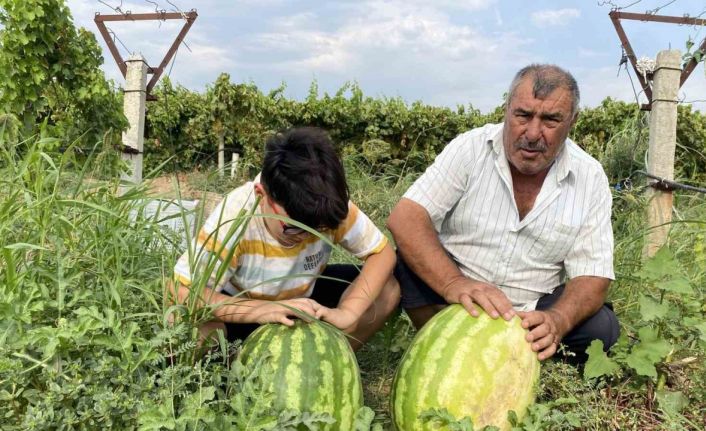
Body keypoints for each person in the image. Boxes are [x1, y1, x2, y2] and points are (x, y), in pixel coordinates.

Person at [387, 64, 619, 363]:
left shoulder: (590, 176)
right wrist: (454, 284)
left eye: (551, 120)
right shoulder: (470, 148)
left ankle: (515, 347)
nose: (533, 133)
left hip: (530, 313)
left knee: (602, 328)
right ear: (506, 109)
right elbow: (406, 217)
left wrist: (558, 320)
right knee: (405, 259)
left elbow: (593, 274)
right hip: (454, 299)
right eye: (523, 115)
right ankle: (446, 339)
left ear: (572, 121)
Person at [169, 127, 399, 350]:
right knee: (193, 327)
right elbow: (179, 291)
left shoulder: (326, 206)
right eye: (293, 228)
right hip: (241, 309)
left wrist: (349, 311)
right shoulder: (235, 216)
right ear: (262, 196)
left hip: (304, 301)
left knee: (387, 289)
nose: (304, 238)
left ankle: (331, 361)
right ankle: (231, 369)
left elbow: (382, 253)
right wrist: (259, 310)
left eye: (318, 231)